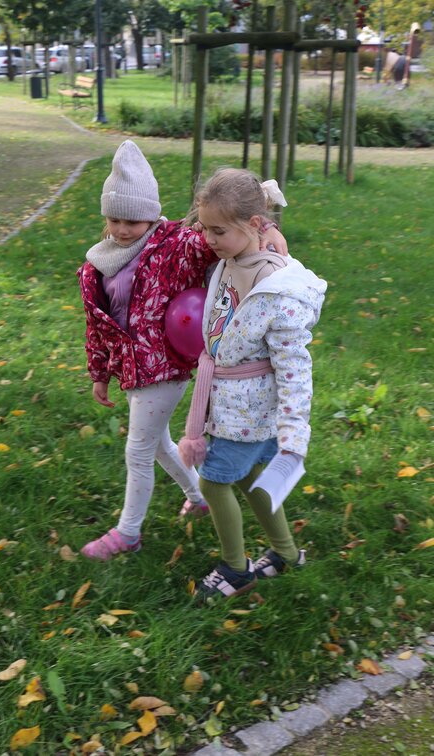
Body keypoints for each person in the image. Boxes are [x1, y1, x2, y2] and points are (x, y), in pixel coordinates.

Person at [77, 142, 286, 561]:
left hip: (165, 367)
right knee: (156, 444)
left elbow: (224, 232)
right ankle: (198, 497)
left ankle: (128, 533)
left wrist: (266, 227)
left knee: (137, 450)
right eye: (115, 219)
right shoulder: (99, 263)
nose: (122, 229)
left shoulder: (175, 246)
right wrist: (99, 372)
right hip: (132, 369)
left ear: (151, 215)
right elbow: (98, 324)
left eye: (133, 221)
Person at [178, 168, 326, 601]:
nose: (207, 239)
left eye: (217, 231)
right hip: (230, 403)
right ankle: (286, 552)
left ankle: (235, 569)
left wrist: (294, 431)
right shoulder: (233, 257)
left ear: (255, 225)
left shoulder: (280, 293)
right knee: (252, 477)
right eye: (205, 228)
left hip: (247, 412)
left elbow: (295, 367)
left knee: (212, 483)